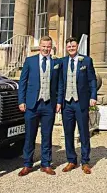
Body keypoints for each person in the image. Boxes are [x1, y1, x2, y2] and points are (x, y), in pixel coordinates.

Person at [18, 36, 62, 176]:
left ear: (51, 47)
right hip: (32, 104)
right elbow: (22, 82)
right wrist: (21, 101)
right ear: (40, 46)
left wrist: (59, 102)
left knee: (47, 135)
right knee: (30, 135)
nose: (46, 49)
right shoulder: (30, 61)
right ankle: (27, 164)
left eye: (48, 46)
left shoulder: (56, 62)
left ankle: (46, 164)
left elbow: (60, 84)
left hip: (49, 104)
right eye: (43, 46)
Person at [58, 37, 97, 174]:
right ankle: (71, 160)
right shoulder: (63, 62)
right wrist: (59, 102)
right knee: (68, 132)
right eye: (69, 46)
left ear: (77, 46)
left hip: (81, 102)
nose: (71, 48)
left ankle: (85, 161)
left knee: (84, 132)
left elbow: (92, 80)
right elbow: (60, 83)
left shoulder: (86, 60)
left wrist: (93, 96)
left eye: (73, 46)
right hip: (67, 103)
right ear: (66, 48)